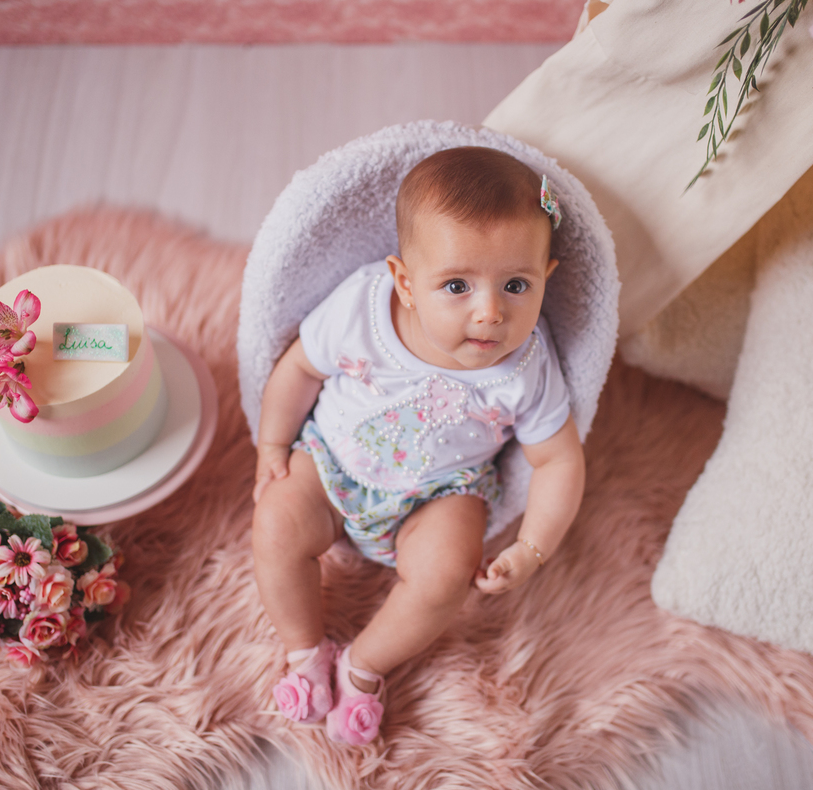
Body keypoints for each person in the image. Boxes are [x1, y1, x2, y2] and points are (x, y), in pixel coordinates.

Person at [251, 146, 586, 745]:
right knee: (275, 525)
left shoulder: (526, 367)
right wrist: (273, 445)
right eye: (456, 284)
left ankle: (364, 667)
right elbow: (300, 367)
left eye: (516, 284)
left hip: (442, 492)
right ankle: (305, 652)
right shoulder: (362, 309)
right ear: (405, 282)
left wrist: (533, 547)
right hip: (333, 464)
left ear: (546, 279)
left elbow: (558, 458)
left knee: (445, 576)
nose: (490, 313)